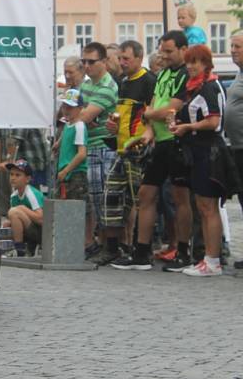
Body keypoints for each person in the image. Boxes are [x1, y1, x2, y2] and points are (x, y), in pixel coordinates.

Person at [112, 30, 190, 272]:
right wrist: (145, 136)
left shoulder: (185, 74)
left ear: (183, 50)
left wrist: (148, 114)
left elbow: (172, 109)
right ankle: (141, 253)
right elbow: (155, 107)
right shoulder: (164, 73)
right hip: (160, 141)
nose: (164, 55)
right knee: (146, 195)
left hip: (178, 142)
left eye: (169, 51)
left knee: (180, 198)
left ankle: (184, 252)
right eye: (162, 50)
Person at [94, 40, 157, 265]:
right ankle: (112, 248)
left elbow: (152, 115)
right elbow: (120, 115)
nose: (122, 62)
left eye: (126, 59)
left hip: (139, 149)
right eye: (120, 58)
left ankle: (141, 249)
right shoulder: (122, 81)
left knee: (139, 200)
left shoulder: (149, 80)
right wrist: (113, 127)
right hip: (121, 149)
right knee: (111, 196)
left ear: (139, 58)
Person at [169, 45, 227, 276]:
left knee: (208, 207)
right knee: (203, 207)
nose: (191, 67)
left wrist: (187, 127)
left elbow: (214, 122)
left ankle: (213, 260)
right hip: (199, 150)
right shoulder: (196, 88)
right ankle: (208, 258)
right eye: (189, 62)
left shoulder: (210, 87)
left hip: (209, 151)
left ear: (206, 64)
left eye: (196, 62)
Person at [78, 42, 118, 255]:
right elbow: (75, 113)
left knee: (105, 199)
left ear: (103, 62)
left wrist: (84, 115)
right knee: (94, 199)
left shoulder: (107, 86)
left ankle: (110, 246)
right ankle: (100, 243)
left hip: (104, 147)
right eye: (83, 61)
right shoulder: (86, 85)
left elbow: (81, 116)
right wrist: (84, 115)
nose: (86, 65)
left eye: (91, 62)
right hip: (90, 145)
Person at [54, 88, 91, 248]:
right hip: (65, 174)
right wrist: (58, 143)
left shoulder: (80, 126)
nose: (66, 110)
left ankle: (78, 244)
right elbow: (65, 135)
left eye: (70, 107)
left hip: (75, 174)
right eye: (64, 106)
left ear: (80, 108)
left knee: (76, 210)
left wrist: (66, 170)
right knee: (63, 207)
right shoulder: (69, 125)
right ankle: (67, 243)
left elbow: (82, 153)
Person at [3, 159, 45, 257]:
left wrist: (22, 208)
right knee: (7, 223)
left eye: (18, 175)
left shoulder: (31, 193)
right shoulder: (14, 196)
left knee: (14, 212)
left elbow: (42, 219)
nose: (13, 178)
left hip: (42, 233)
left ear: (27, 179)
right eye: (11, 174)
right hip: (30, 230)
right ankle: (16, 247)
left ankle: (19, 249)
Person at [226, 29, 243, 269]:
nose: (233, 51)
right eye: (231, 46)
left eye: (237, 46)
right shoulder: (239, 74)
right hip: (238, 146)